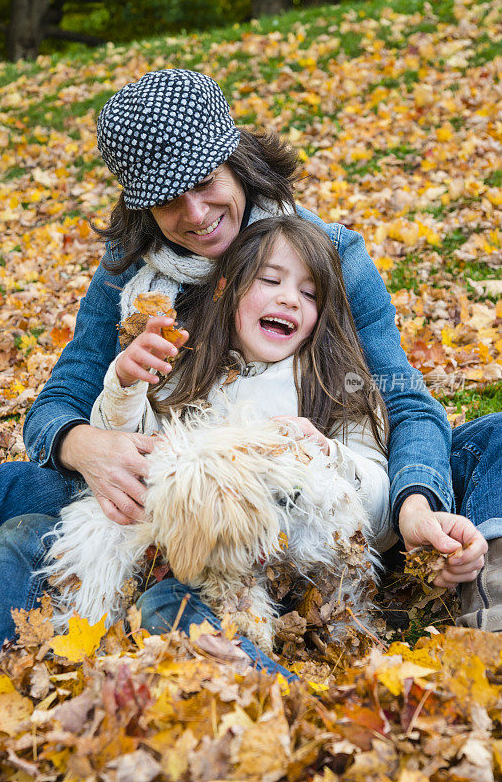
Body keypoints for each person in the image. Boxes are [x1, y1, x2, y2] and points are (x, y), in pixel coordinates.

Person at [0, 69, 497, 657]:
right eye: (167, 199)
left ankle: (486, 590)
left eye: (205, 182)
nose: (195, 214)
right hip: (160, 504)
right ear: (139, 207)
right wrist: (85, 446)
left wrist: (415, 503)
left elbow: (400, 399)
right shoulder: (129, 278)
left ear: (238, 160)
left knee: (491, 441)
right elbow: (58, 402)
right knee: (6, 490)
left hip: (314, 511)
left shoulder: (326, 255)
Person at [43, 214, 394, 676]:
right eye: (270, 281)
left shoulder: (336, 387)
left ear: (320, 317)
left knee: (169, 610)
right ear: (227, 288)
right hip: (170, 545)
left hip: (278, 570)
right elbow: (127, 447)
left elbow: (378, 515)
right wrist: (126, 383)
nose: (290, 298)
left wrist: (328, 456)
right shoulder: (190, 370)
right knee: (141, 594)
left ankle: (278, 694)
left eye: (310, 295)